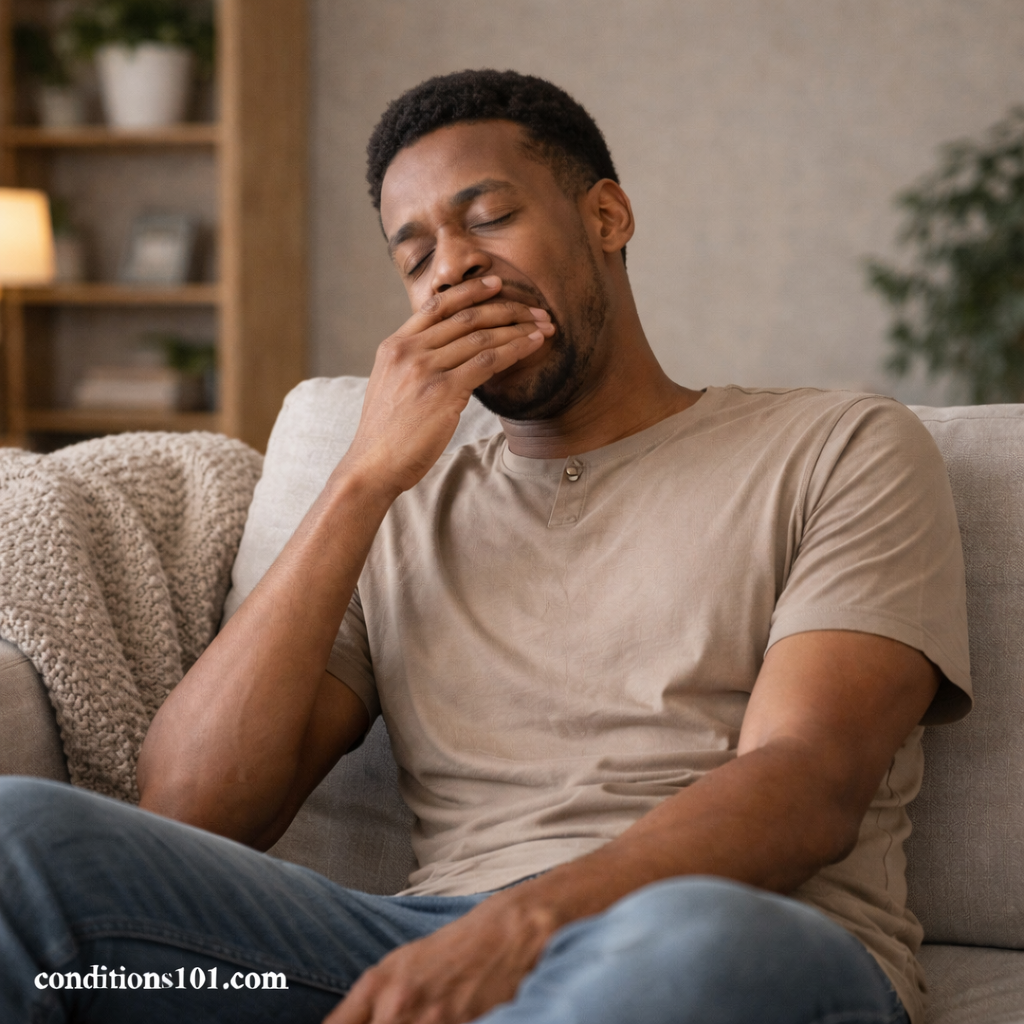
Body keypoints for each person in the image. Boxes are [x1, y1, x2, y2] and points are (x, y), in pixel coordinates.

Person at [0, 70, 971, 1024]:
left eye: (489, 217)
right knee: (18, 836)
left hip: (731, 937)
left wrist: (518, 926)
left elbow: (810, 783)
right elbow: (194, 811)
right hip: (408, 947)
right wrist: (361, 480)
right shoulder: (396, 505)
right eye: (415, 254)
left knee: (697, 938)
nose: (453, 267)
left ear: (606, 219)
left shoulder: (837, 447)